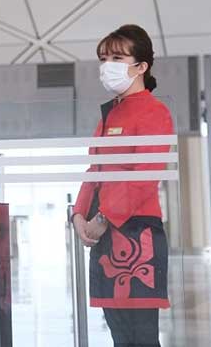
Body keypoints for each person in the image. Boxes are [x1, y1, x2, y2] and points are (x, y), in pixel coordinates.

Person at [71, 24, 174, 347]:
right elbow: (96, 171)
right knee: (118, 334)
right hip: (105, 233)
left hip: (137, 234)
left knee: (141, 335)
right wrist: (78, 215)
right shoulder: (108, 115)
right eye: (103, 58)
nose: (107, 65)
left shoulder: (154, 112)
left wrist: (102, 219)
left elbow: (144, 174)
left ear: (141, 66)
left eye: (117, 57)